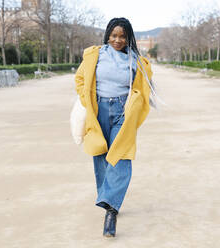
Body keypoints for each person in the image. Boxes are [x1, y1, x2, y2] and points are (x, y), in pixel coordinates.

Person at [74, 17, 153, 237]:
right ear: (108, 35)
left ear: (129, 38)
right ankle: (108, 199)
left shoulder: (136, 61)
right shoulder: (95, 55)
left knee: (121, 157)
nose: (118, 40)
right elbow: (80, 79)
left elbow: (144, 88)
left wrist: (135, 105)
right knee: (100, 154)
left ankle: (111, 209)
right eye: (114, 35)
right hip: (98, 110)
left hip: (122, 112)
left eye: (122, 36)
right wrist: (86, 99)